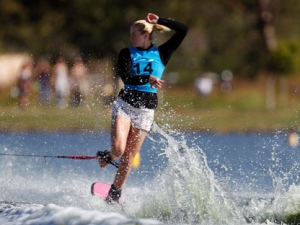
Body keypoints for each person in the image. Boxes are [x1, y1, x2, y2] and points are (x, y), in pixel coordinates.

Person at [97, 13, 188, 203]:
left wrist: (160, 20)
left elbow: (183, 29)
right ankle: (109, 154)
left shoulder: (162, 53)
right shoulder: (126, 53)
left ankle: (114, 194)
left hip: (146, 111)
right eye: (130, 34)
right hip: (125, 105)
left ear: (146, 35)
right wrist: (147, 79)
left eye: (134, 34)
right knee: (119, 149)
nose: (131, 38)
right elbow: (127, 77)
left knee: (129, 156)